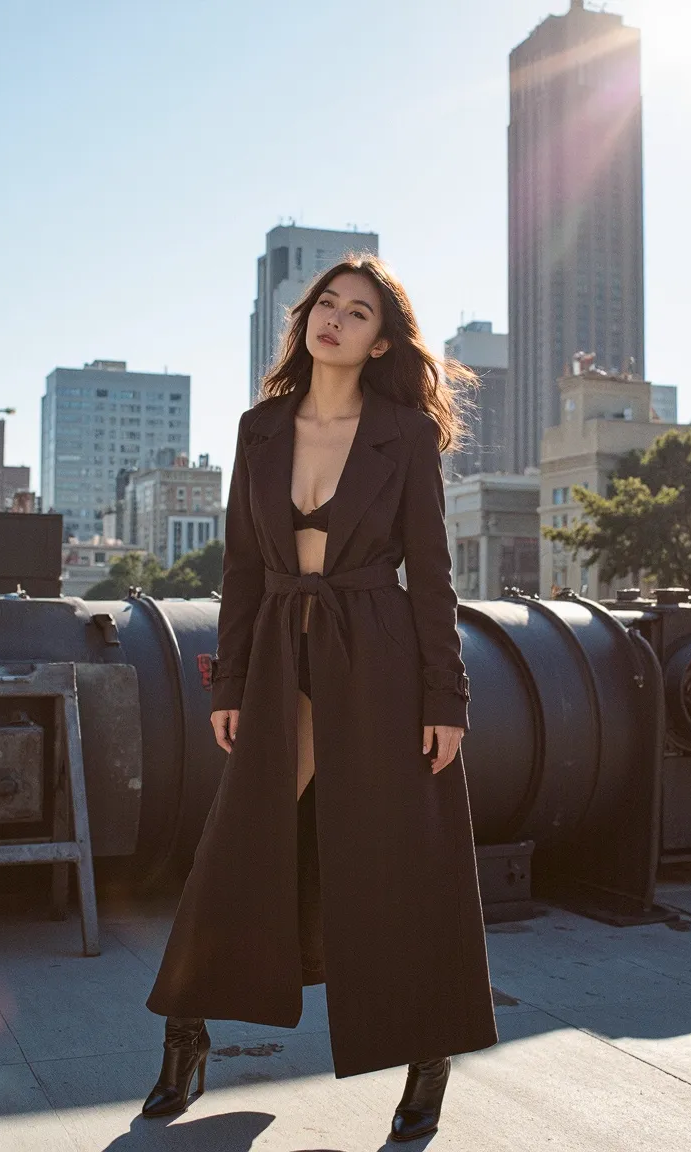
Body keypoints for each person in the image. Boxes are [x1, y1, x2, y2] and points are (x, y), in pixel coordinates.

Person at [143, 253, 498, 1142]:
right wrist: (230, 678)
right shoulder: (259, 429)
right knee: (236, 845)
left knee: (402, 861)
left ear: (383, 342)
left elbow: (433, 575)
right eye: (325, 305)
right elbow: (238, 568)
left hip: (379, 655)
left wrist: (445, 696)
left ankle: (427, 1058)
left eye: (360, 312)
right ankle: (186, 1034)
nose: (335, 319)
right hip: (275, 658)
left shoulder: (404, 435)